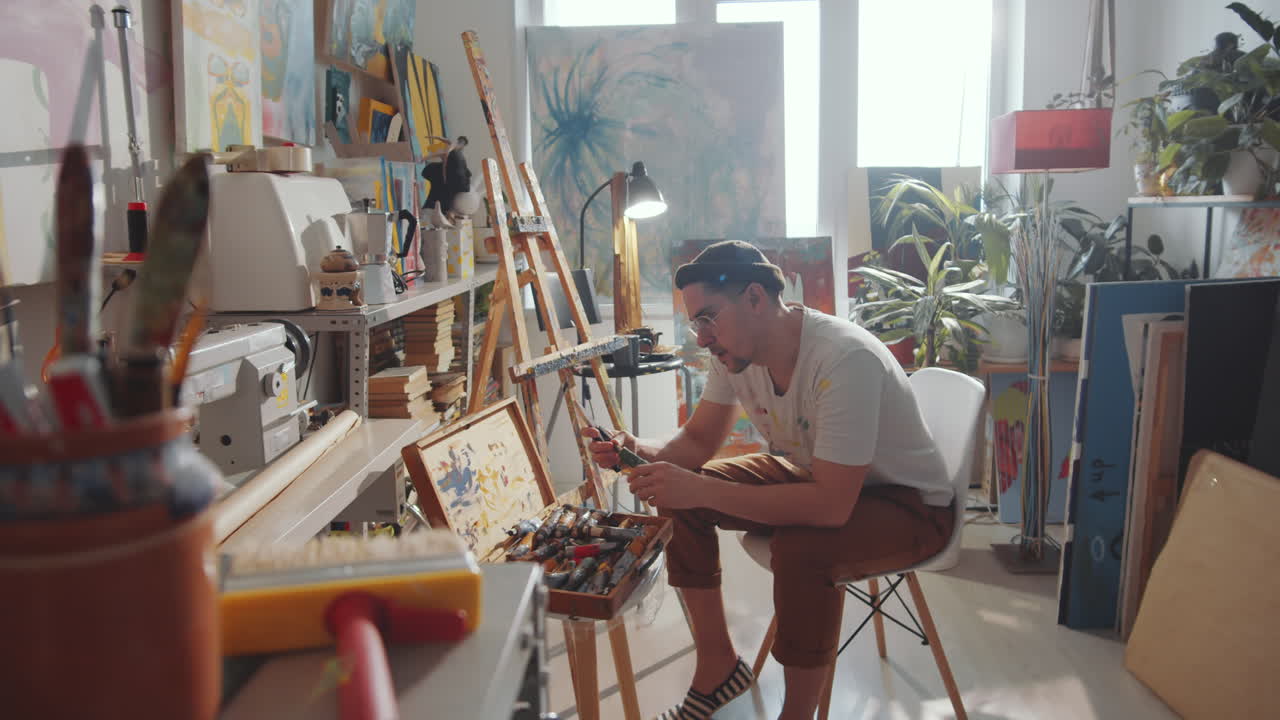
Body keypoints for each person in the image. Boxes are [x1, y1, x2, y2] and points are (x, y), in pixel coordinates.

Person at [583, 240, 955, 720]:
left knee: (802, 549)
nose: (701, 336)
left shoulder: (843, 359)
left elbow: (831, 508)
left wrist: (698, 487)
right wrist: (633, 449)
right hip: (822, 477)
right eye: (697, 322)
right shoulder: (734, 355)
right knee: (679, 489)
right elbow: (697, 443)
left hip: (911, 507)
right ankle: (718, 666)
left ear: (756, 298)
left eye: (708, 318)